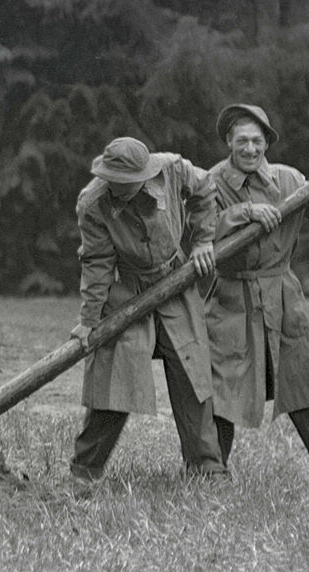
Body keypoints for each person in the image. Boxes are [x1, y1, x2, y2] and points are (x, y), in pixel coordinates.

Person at [69, 136, 227, 483]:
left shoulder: (173, 169)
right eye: (112, 179)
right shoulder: (93, 204)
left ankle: (207, 468)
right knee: (114, 381)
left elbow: (204, 190)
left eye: (126, 182)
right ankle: (84, 471)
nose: (117, 187)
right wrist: (89, 321)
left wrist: (202, 240)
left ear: (145, 173)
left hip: (176, 283)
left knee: (192, 375)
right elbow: (96, 264)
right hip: (127, 293)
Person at [205, 104, 309, 476]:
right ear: (228, 143)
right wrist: (244, 213)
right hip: (232, 298)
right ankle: (209, 471)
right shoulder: (210, 183)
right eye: (241, 142)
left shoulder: (287, 179)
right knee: (222, 389)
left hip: (283, 294)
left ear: (267, 142)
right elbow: (198, 230)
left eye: (257, 141)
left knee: (308, 380)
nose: (250, 149)